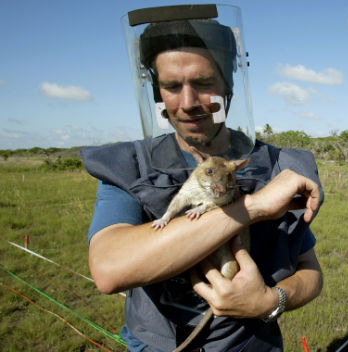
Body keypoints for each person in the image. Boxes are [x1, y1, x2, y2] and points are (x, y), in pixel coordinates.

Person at [80, 4, 324, 351]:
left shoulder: (277, 166)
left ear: (227, 86)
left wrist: (271, 301)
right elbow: (108, 270)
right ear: (156, 93)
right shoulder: (130, 165)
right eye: (172, 86)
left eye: (204, 83)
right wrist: (250, 208)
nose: (189, 102)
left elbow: (310, 270)